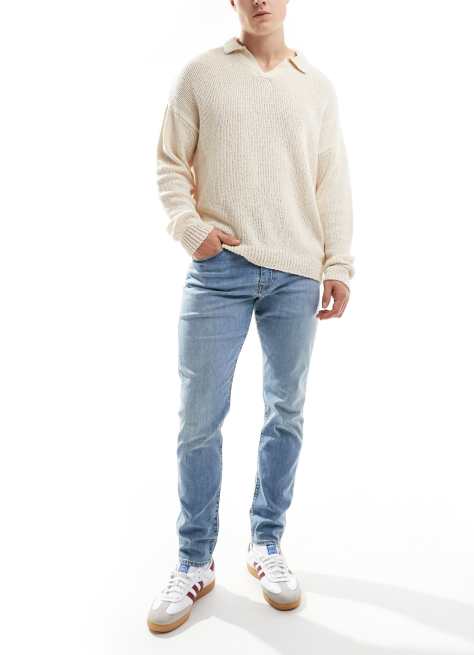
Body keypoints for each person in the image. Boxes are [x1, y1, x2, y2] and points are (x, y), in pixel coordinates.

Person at [147, 0, 355, 633]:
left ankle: (266, 544)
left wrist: (338, 264)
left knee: (285, 410)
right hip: (219, 271)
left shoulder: (316, 88)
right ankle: (194, 559)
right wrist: (192, 232)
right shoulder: (201, 74)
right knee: (198, 418)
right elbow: (170, 162)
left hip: (296, 272)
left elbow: (331, 180)